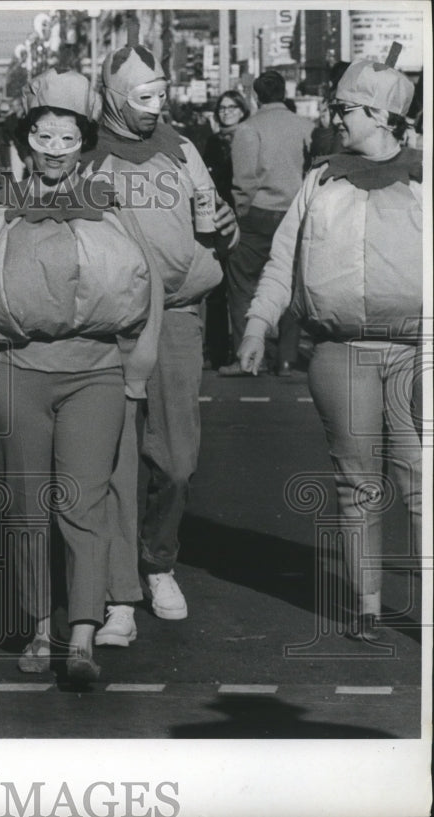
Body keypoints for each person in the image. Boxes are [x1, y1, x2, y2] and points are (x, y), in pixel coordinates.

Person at [0, 68, 159, 684]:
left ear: (83, 143)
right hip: (18, 375)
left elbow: (152, 290)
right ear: (26, 141)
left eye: (68, 138)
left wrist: (136, 373)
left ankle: (83, 637)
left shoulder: (110, 206)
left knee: (83, 505)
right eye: (44, 136)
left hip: (96, 374)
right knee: (26, 508)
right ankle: (39, 628)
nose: (55, 148)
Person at [238, 51, 421, 642]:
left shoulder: (425, 179)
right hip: (340, 351)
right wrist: (255, 325)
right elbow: (282, 260)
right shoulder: (319, 180)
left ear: (378, 114)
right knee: (356, 481)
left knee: (420, 476)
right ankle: (367, 605)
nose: (334, 117)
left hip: (418, 350)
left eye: (344, 109)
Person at [80, 41, 237, 638]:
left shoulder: (183, 148)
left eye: (161, 94)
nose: (155, 106)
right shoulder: (86, 155)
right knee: (113, 458)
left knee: (175, 460)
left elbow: (215, 222)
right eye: (143, 97)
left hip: (175, 316)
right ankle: (120, 589)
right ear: (115, 98)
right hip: (108, 324)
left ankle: (157, 560)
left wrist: (227, 222)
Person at [219, 71, 312, 378]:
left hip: (258, 214)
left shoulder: (249, 129)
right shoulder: (306, 126)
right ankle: (286, 360)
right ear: (284, 92)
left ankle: (246, 356)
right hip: (297, 213)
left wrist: (241, 215)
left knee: (242, 284)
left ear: (256, 97)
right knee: (293, 284)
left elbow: (243, 181)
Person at [202, 90, 250, 370]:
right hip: (217, 216)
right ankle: (217, 350)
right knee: (217, 288)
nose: (226, 111)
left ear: (243, 110)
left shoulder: (247, 138)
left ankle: (245, 349)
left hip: (242, 214)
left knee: (241, 288)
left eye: (232, 107)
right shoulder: (212, 141)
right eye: (222, 107)